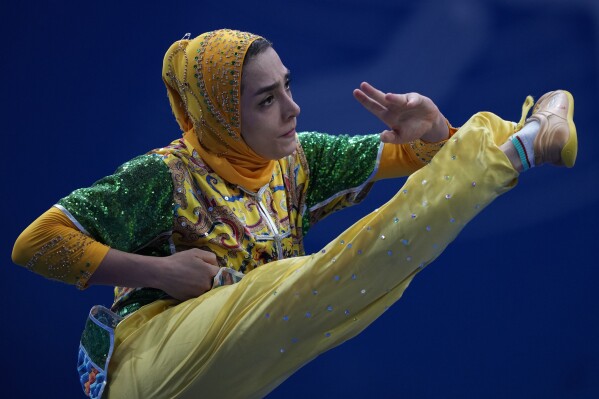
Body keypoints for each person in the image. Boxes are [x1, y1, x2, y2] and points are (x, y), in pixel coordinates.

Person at [11, 28, 577, 399]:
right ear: (219, 116)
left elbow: (419, 160)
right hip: (150, 365)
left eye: (287, 86)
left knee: (364, 276)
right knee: (314, 278)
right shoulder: (163, 176)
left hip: (242, 372)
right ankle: (519, 146)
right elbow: (37, 243)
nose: (293, 109)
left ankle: (520, 140)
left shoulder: (297, 159)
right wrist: (159, 273)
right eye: (266, 100)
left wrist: (431, 129)